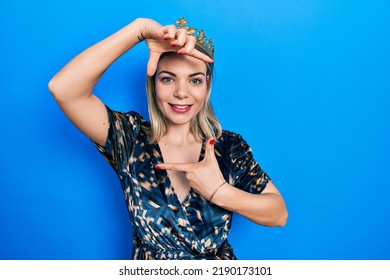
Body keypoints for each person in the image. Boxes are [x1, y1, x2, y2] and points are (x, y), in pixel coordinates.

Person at [48, 17, 288, 260]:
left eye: (195, 80)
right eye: (168, 78)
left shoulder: (229, 147)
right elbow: (63, 88)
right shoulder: (130, 139)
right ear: (154, 83)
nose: (181, 93)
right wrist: (139, 29)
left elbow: (278, 214)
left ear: (207, 86)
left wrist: (219, 191)